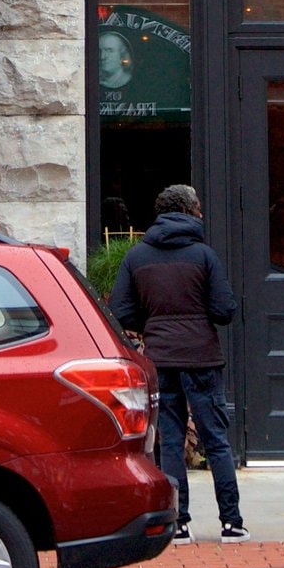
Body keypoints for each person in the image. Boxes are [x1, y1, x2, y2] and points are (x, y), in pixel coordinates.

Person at [108, 184, 246, 543]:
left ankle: (178, 523)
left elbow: (120, 309)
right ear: (189, 211)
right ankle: (231, 523)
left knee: (169, 442)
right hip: (202, 359)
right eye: (199, 207)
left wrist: (153, 324)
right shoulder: (203, 256)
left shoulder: (138, 256)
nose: (201, 212)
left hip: (161, 358)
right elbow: (224, 309)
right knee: (216, 441)